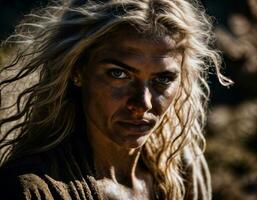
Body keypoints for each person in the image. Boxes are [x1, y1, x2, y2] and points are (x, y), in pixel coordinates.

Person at [0, 0, 232, 199]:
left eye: (162, 79)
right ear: (77, 70)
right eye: (119, 74)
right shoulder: (31, 190)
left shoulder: (183, 172)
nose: (143, 104)